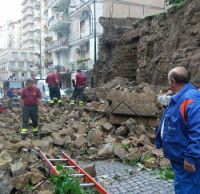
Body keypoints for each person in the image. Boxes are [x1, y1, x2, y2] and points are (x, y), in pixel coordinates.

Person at [155, 66, 200, 194]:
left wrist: (191, 157)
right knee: (182, 186)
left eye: (169, 81)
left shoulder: (191, 99)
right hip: (179, 158)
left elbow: (198, 130)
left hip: (187, 160)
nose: (169, 84)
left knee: (189, 188)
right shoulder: (180, 97)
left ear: (173, 81)